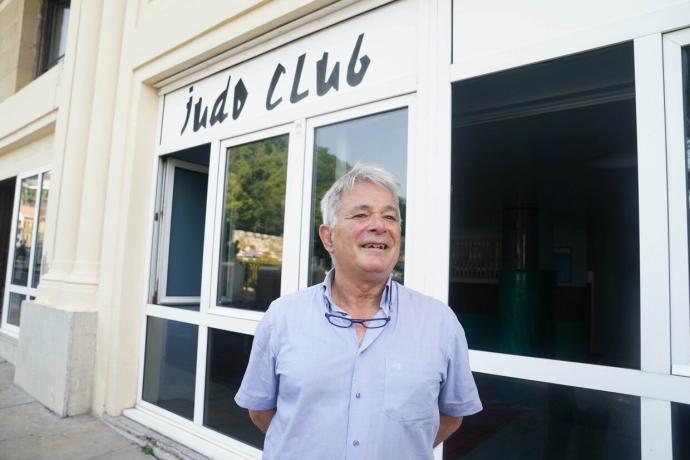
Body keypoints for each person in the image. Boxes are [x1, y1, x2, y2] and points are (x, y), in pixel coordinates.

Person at [235, 164, 481, 459]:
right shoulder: (283, 316)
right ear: (328, 238)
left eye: (390, 216)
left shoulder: (439, 322)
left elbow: (451, 416)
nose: (379, 225)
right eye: (361, 214)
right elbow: (261, 409)